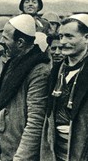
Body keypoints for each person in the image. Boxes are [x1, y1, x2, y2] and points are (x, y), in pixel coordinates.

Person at [0, 14, 51, 161]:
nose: (1, 41)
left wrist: (20, 158)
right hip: (6, 153)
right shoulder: (13, 63)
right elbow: (8, 101)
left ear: (20, 42)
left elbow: (35, 122)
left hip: (20, 155)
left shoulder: (39, 71)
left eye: (5, 38)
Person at [41, 13, 88, 161]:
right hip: (57, 152)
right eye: (61, 36)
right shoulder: (56, 71)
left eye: (69, 36)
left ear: (86, 38)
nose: (63, 42)